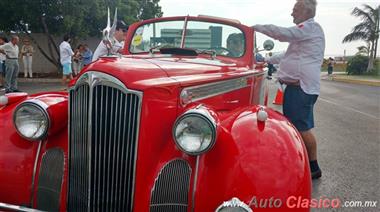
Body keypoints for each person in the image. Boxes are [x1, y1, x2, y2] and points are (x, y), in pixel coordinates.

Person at [253, 0, 325, 179]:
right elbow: (287, 55)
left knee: (301, 127)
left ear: (305, 11)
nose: (292, 14)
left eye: (295, 10)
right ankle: (303, 161)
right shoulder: (305, 33)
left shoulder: (310, 28)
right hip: (297, 87)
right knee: (298, 126)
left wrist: (257, 27)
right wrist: (266, 60)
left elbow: (283, 34)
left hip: (300, 87)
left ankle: (313, 167)